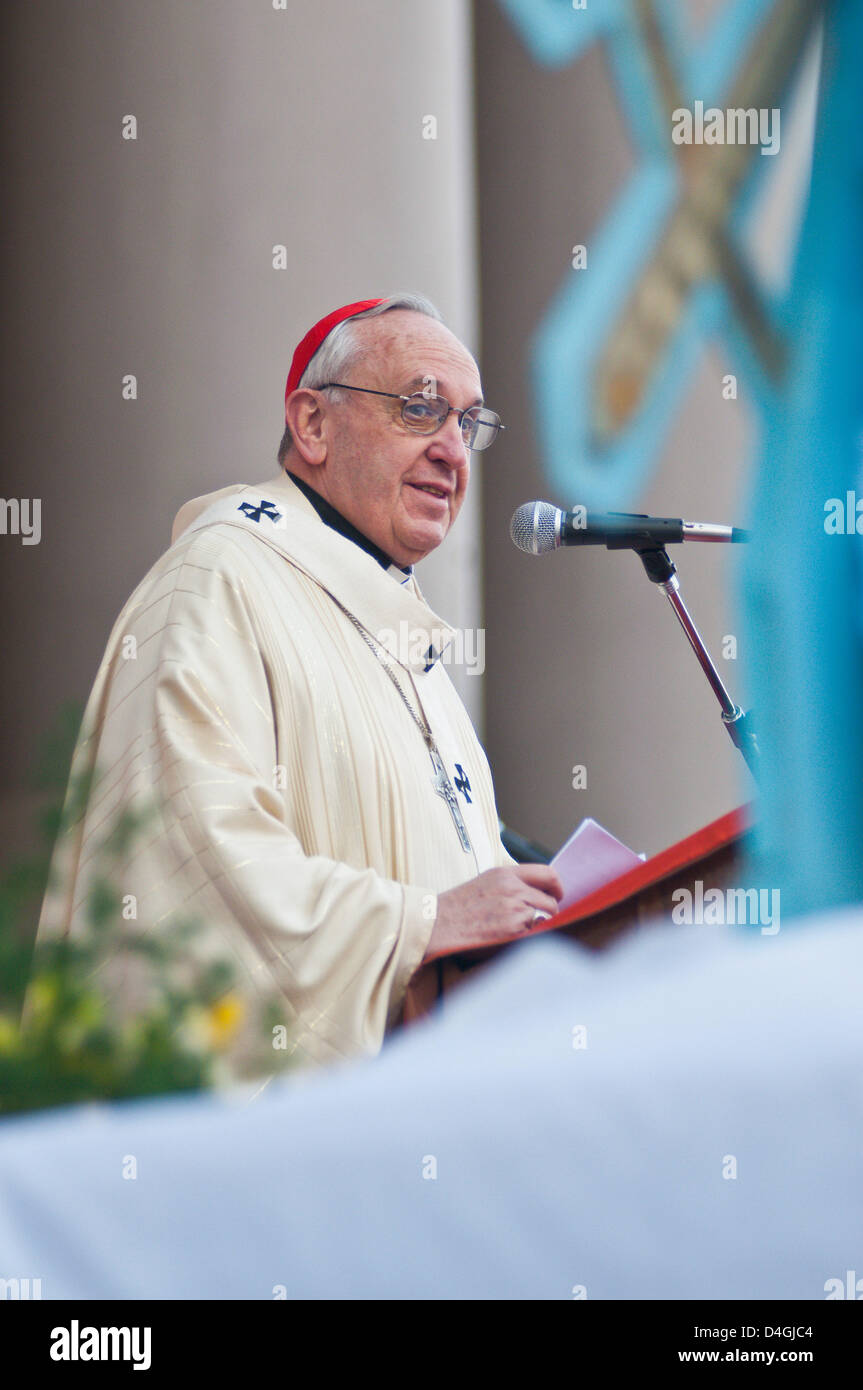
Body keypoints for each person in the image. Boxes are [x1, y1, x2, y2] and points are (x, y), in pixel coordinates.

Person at [36, 293, 563, 1070]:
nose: (453, 450)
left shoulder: (406, 646)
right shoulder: (221, 581)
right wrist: (419, 923)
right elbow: (198, 869)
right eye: (420, 409)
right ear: (312, 424)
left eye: (467, 423)